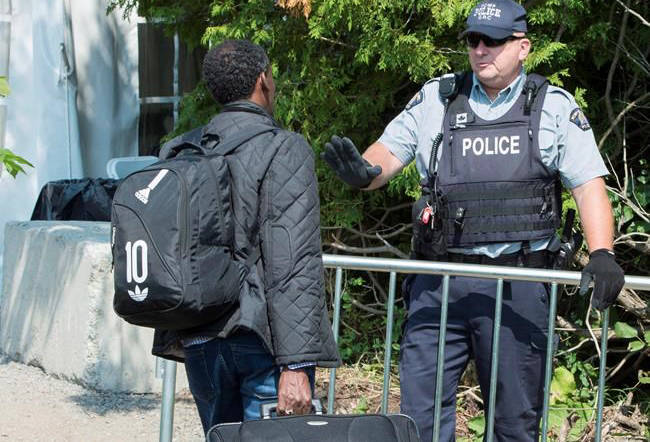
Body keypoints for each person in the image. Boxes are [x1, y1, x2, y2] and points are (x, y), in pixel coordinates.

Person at [322, 1, 625, 440]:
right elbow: (387, 154)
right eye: (473, 40)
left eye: (494, 41)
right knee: (419, 424)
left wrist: (602, 252)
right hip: (440, 281)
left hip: (517, 284)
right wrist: (364, 173)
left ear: (522, 47)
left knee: (514, 424)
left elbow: (587, 184)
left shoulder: (551, 106)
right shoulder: (439, 97)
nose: (481, 49)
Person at [152, 39, 340, 434]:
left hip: (200, 337)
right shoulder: (283, 149)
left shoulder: (182, 150)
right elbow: (293, 262)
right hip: (262, 341)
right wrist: (295, 365)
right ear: (263, 81)